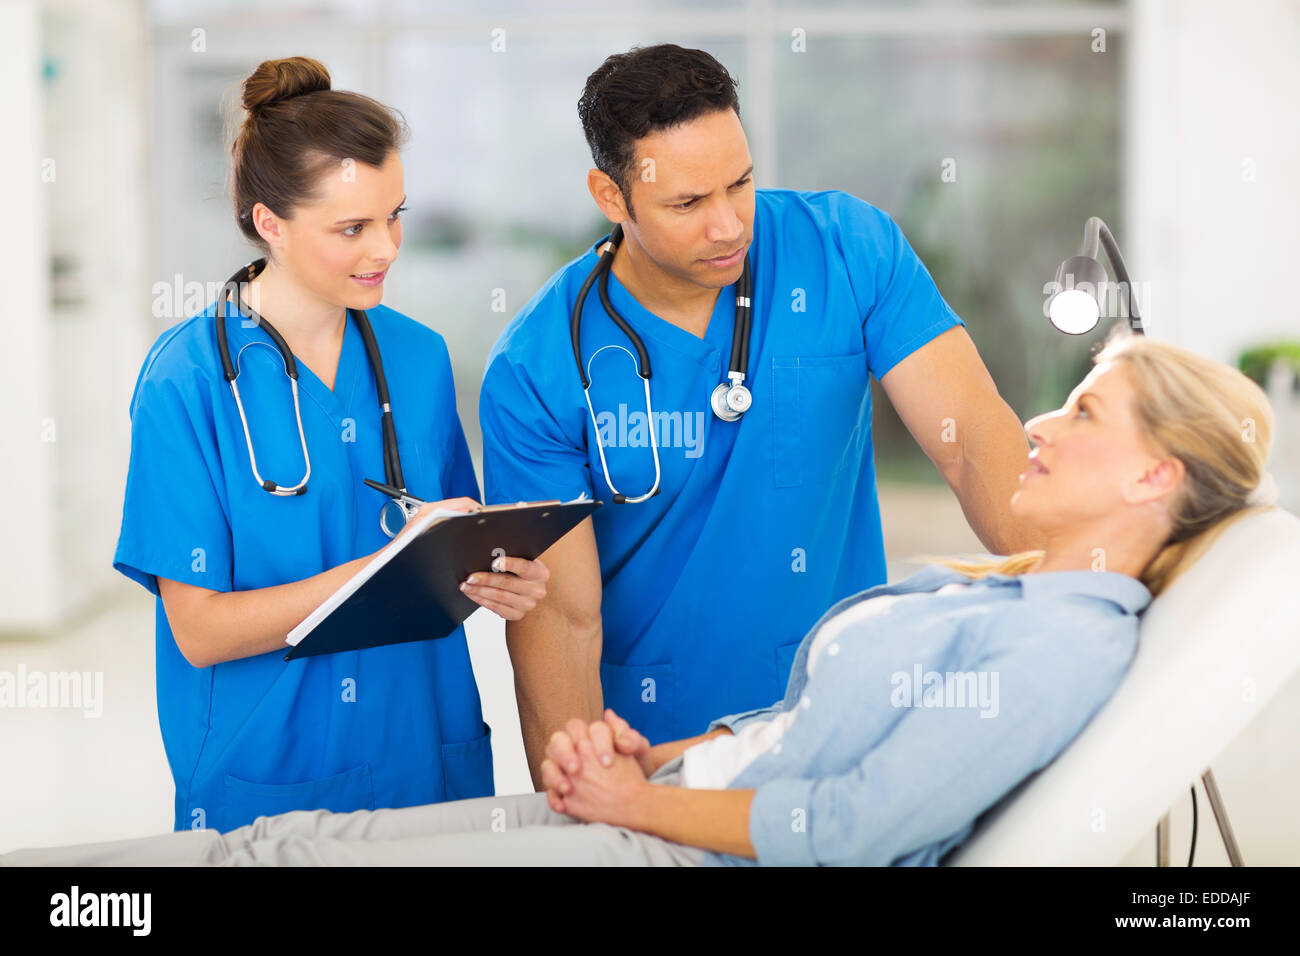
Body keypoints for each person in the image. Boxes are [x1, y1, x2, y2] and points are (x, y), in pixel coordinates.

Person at [5, 326, 1276, 866]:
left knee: (291, 859)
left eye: (1086, 407)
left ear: (1157, 472)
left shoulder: (1059, 648)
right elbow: (795, 739)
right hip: (656, 808)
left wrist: (640, 806)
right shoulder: (1000, 599)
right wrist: (651, 755)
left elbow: (849, 828)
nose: (1040, 422)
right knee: (293, 846)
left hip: (668, 850)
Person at [477, 44, 1047, 786]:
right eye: (687, 203)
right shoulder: (537, 366)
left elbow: (970, 442)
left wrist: (1071, 586)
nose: (728, 227)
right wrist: (585, 798)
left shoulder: (847, 249)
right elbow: (560, 618)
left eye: (740, 183)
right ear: (612, 197)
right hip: (661, 745)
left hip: (843, 717)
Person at [110, 57, 549, 834]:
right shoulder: (187, 382)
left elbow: (442, 561)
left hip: (426, 755)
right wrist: (380, 570)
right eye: (351, 228)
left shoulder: (417, 359)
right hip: (267, 776)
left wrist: (497, 582)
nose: (386, 248)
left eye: (395, 215)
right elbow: (201, 631)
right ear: (268, 224)